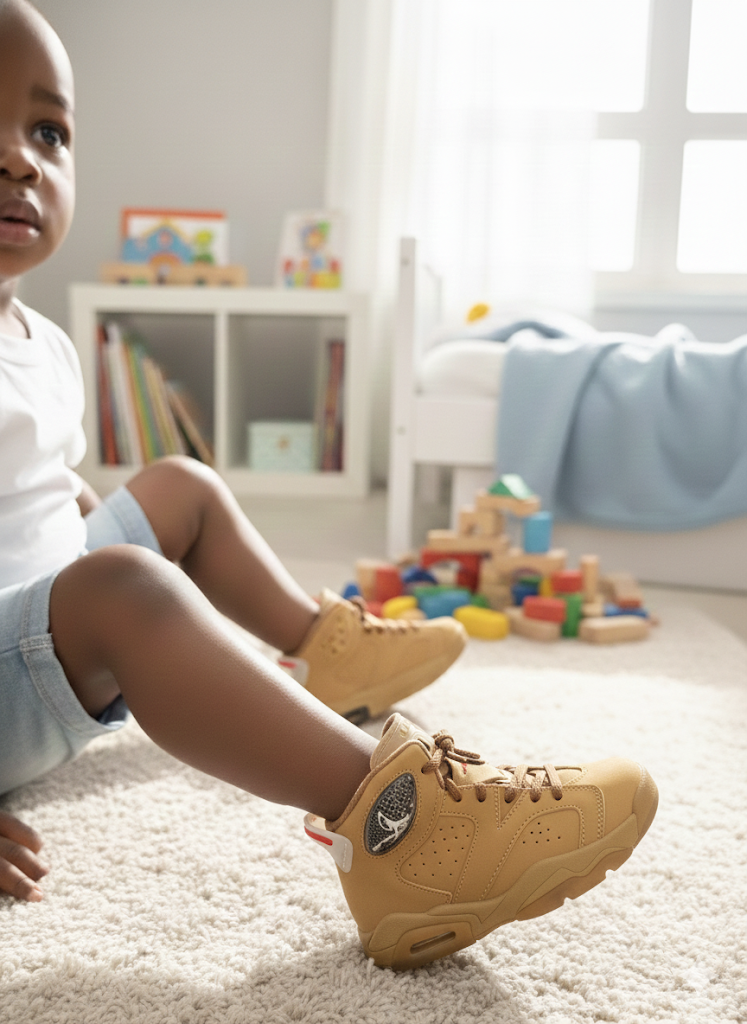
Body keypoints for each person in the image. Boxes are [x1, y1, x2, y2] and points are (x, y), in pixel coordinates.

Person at [0, 0, 658, 971]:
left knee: (178, 486)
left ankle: (323, 653)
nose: (21, 159)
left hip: (45, 628)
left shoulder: (46, 344)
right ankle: (404, 830)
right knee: (126, 587)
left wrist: (124, 551)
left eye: (48, 132)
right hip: (24, 658)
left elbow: (48, 486)